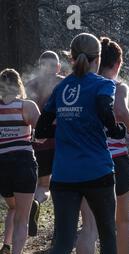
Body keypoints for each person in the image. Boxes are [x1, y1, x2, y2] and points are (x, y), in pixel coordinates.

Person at [36, 33, 127, 254]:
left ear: (71, 58)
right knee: (107, 235)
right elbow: (103, 108)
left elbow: (42, 126)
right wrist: (115, 129)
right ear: (98, 59)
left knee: (62, 241)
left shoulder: (61, 89)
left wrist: (63, 127)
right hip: (97, 171)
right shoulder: (102, 84)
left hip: (64, 175)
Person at [74, 37, 129, 254]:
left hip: (87, 162)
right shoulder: (116, 85)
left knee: (88, 225)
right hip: (116, 160)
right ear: (118, 62)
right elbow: (120, 107)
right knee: (123, 221)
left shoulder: (82, 86)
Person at [0, 69, 40, 254]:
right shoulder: (27, 106)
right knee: (23, 217)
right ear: (18, 85)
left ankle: (5, 247)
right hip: (23, 163)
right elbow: (41, 132)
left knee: (13, 208)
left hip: (2, 166)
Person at [25, 51, 64, 237]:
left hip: (38, 143)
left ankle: (37, 202)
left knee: (42, 185)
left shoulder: (30, 85)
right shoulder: (65, 83)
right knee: (59, 184)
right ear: (58, 67)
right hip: (61, 141)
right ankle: (59, 226)